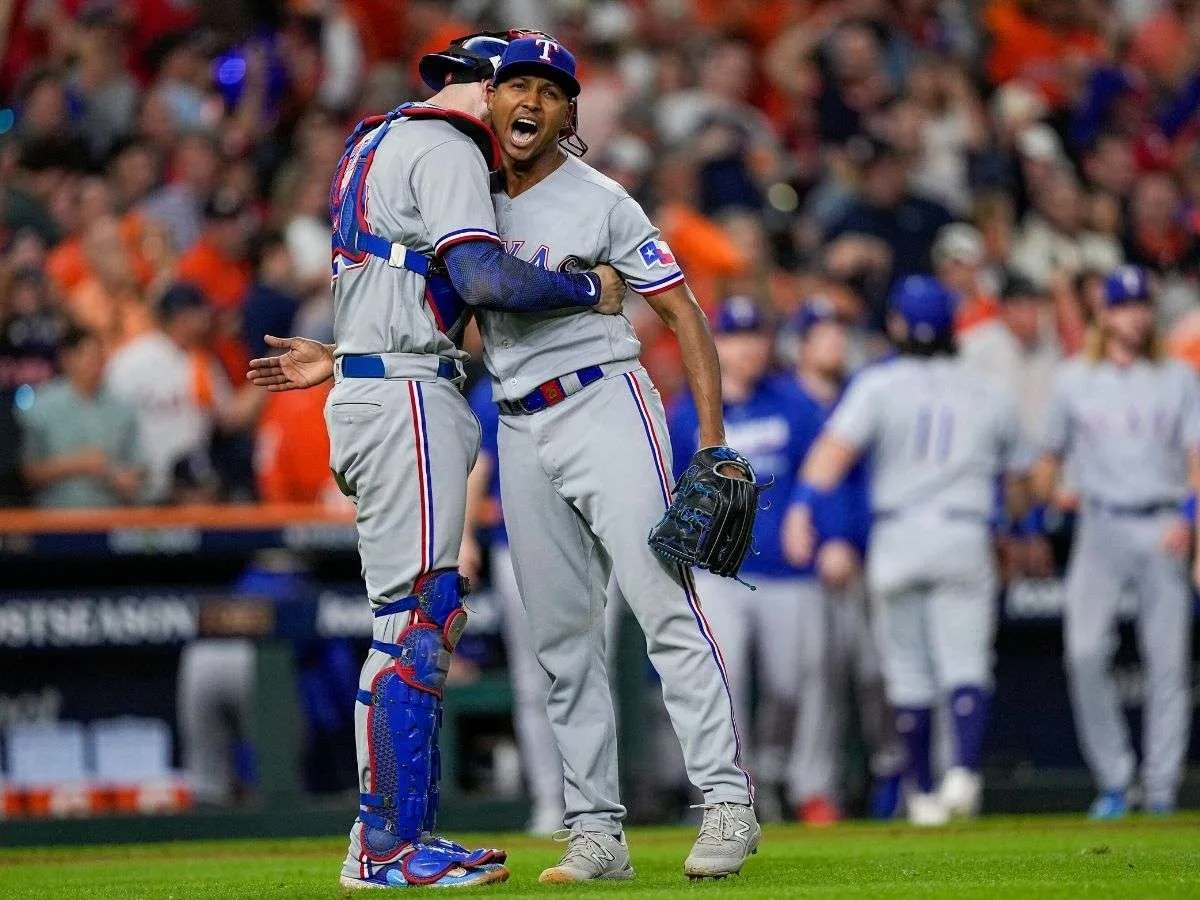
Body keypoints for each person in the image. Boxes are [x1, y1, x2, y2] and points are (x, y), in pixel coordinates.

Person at [251, 33, 761, 883]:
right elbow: (427, 312)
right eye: (516, 85)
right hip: (518, 422)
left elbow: (684, 314)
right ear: (490, 101)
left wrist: (710, 439)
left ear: (570, 115)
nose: (531, 101)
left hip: (604, 398)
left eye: (551, 91)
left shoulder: (601, 198)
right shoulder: (466, 190)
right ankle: (597, 831)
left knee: (661, 605)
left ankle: (727, 800)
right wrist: (343, 356)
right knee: (560, 642)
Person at [783, 276, 1029, 826]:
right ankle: (963, 772)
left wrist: (801, 509)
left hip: (897, 536)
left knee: (907, 672)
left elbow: (832, 453)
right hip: (964, 532)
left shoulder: (878, 383)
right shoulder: (986, 387)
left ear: (897, 325)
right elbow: (1020, 480)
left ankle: (920, 793)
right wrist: (1016, 526)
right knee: (965, 664)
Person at [1032, 265, 1200, 819]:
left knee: (1168, 663)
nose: (1135, 315)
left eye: (1142, 305)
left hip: (1162, 521)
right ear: (1104, 312)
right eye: (1124, 305)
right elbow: (1048, 459)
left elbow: (1197, 455)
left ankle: (1159, 788)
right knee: (1083, 654)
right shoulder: (1075, 377)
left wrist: (1191, 515)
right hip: (1099, 525)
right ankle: (1114, 779)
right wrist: (1045, 500)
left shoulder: (1177, 376)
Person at [666, 296, 833, 824]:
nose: (747, 349)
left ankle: (788, 778)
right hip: (718, 571)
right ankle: (731, 793)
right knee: (723, 680)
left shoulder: (793, 401)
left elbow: (826, 473)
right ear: (716, 343)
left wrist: (826, 531)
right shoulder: (687, 410)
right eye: (736, 338)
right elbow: (665, 484)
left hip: (786, 567)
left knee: (792, 684)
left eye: (756, 337)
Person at [784, 302, 905, 823]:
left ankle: (895, 775)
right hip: (805, 566)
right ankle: (814, 789)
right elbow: (787, 488)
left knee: (881, 675)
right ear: (803, 344)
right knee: (818, 680)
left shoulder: (864, 392)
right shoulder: (784, 400)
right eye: (823, 333)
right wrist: (825, 541)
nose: (834, 342)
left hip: (872, 555)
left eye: (839, 332)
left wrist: (852, 543)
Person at [460, 376, 565, 837]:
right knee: (533, 680)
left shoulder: (588, 366)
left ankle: (598, 801)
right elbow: (479, 465)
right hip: (516, 542)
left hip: (590, 536)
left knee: (591, 675)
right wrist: (464, 535)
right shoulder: (493, 388)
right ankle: (550, 798)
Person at [19, 324, 142, 508]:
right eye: (90, 357)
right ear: (67, 359)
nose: (97, 365)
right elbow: (27, 474)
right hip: (54, 520)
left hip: (110, 517)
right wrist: (76, 464)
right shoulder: (40, 406)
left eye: (101, 358)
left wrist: (128, 478)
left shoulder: (122, 408)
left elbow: (137, 464)